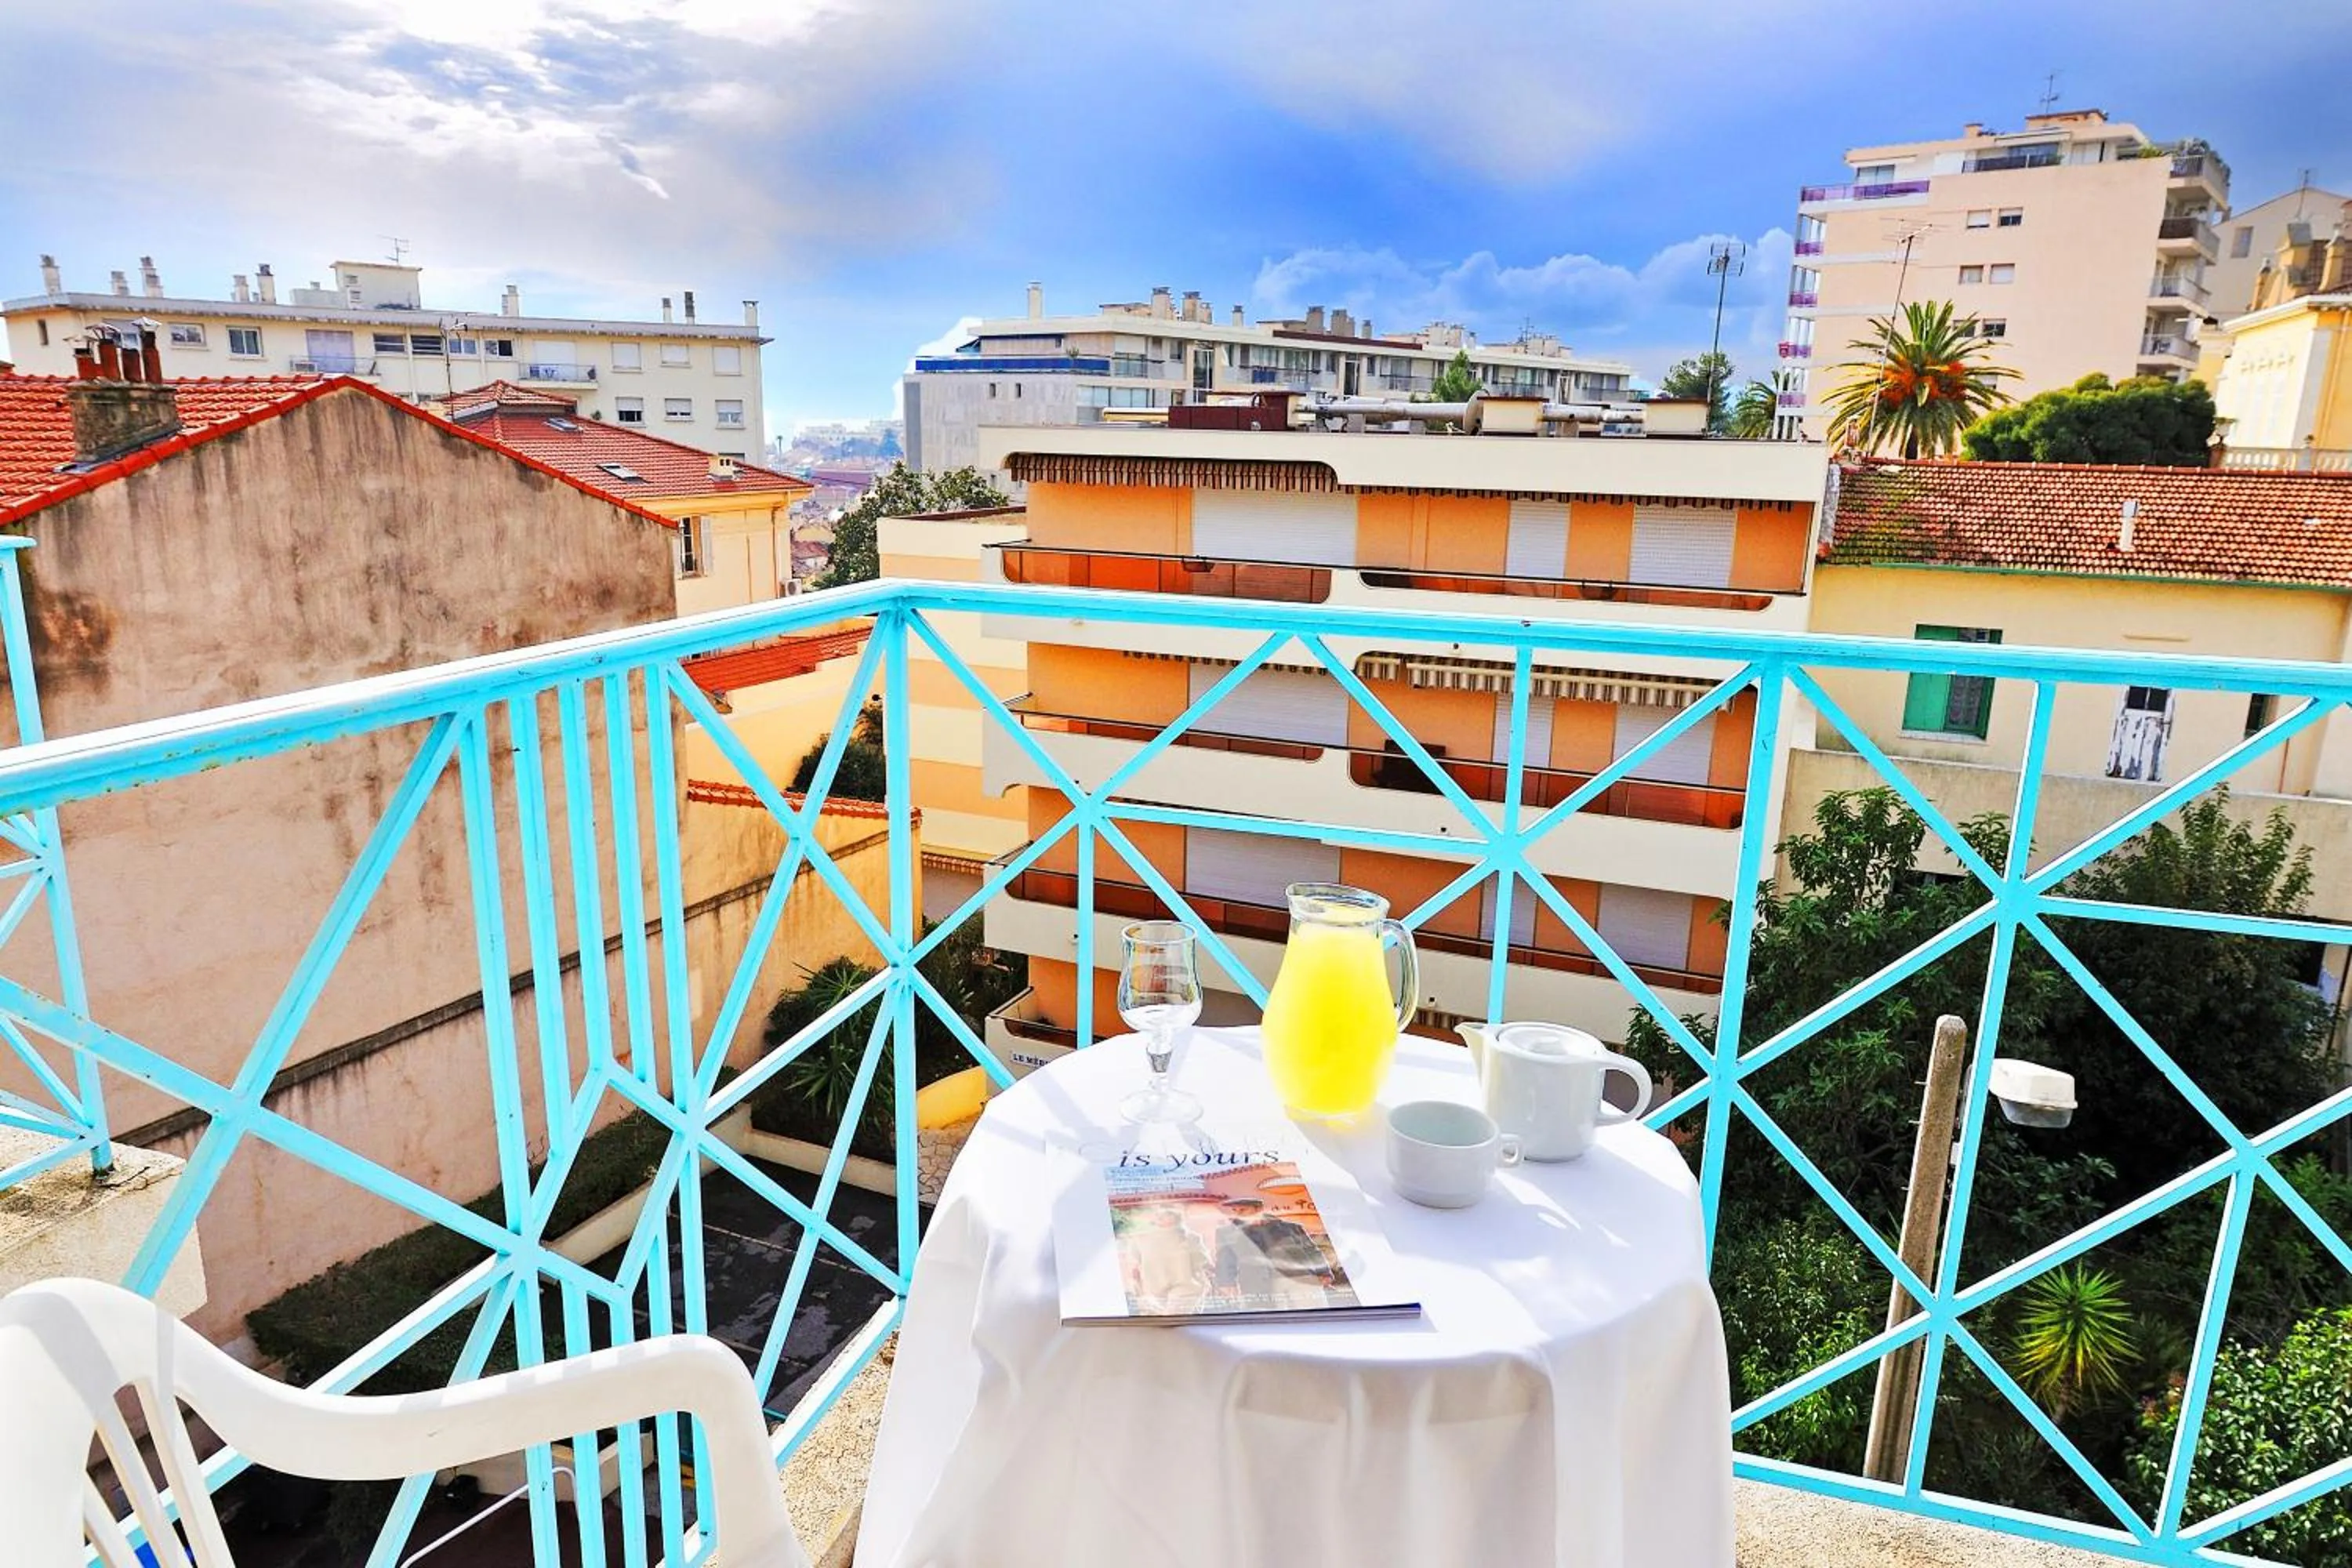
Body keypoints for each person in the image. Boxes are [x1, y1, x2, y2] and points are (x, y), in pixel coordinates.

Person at [1212, 1197, 1341, 1309]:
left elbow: (1311, 1250)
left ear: (1258, 1209)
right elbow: (1225, 1259)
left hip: (1302, 1277)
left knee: (1315, 1316)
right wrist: (1226, 1283)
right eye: (1235, 1211)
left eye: (1243, 1210)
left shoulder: (1290, 1227)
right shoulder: (1227, 1233)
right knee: (1273, 1323)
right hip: (1260, 1282)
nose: (1238, 1214)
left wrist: (1324, 1272)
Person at [1119, 1204, 1209, 1312]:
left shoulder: (1191, 1237)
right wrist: (1138, 1290)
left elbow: (1201, 1264)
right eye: (1158, 1214)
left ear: (1177, 1216)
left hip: (1184, 1288)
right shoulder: (1140, 1238)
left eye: (1167, 1214)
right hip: (1153, 1292)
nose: (1160, 1217)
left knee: (1174, 1322)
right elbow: (1133, 1267)